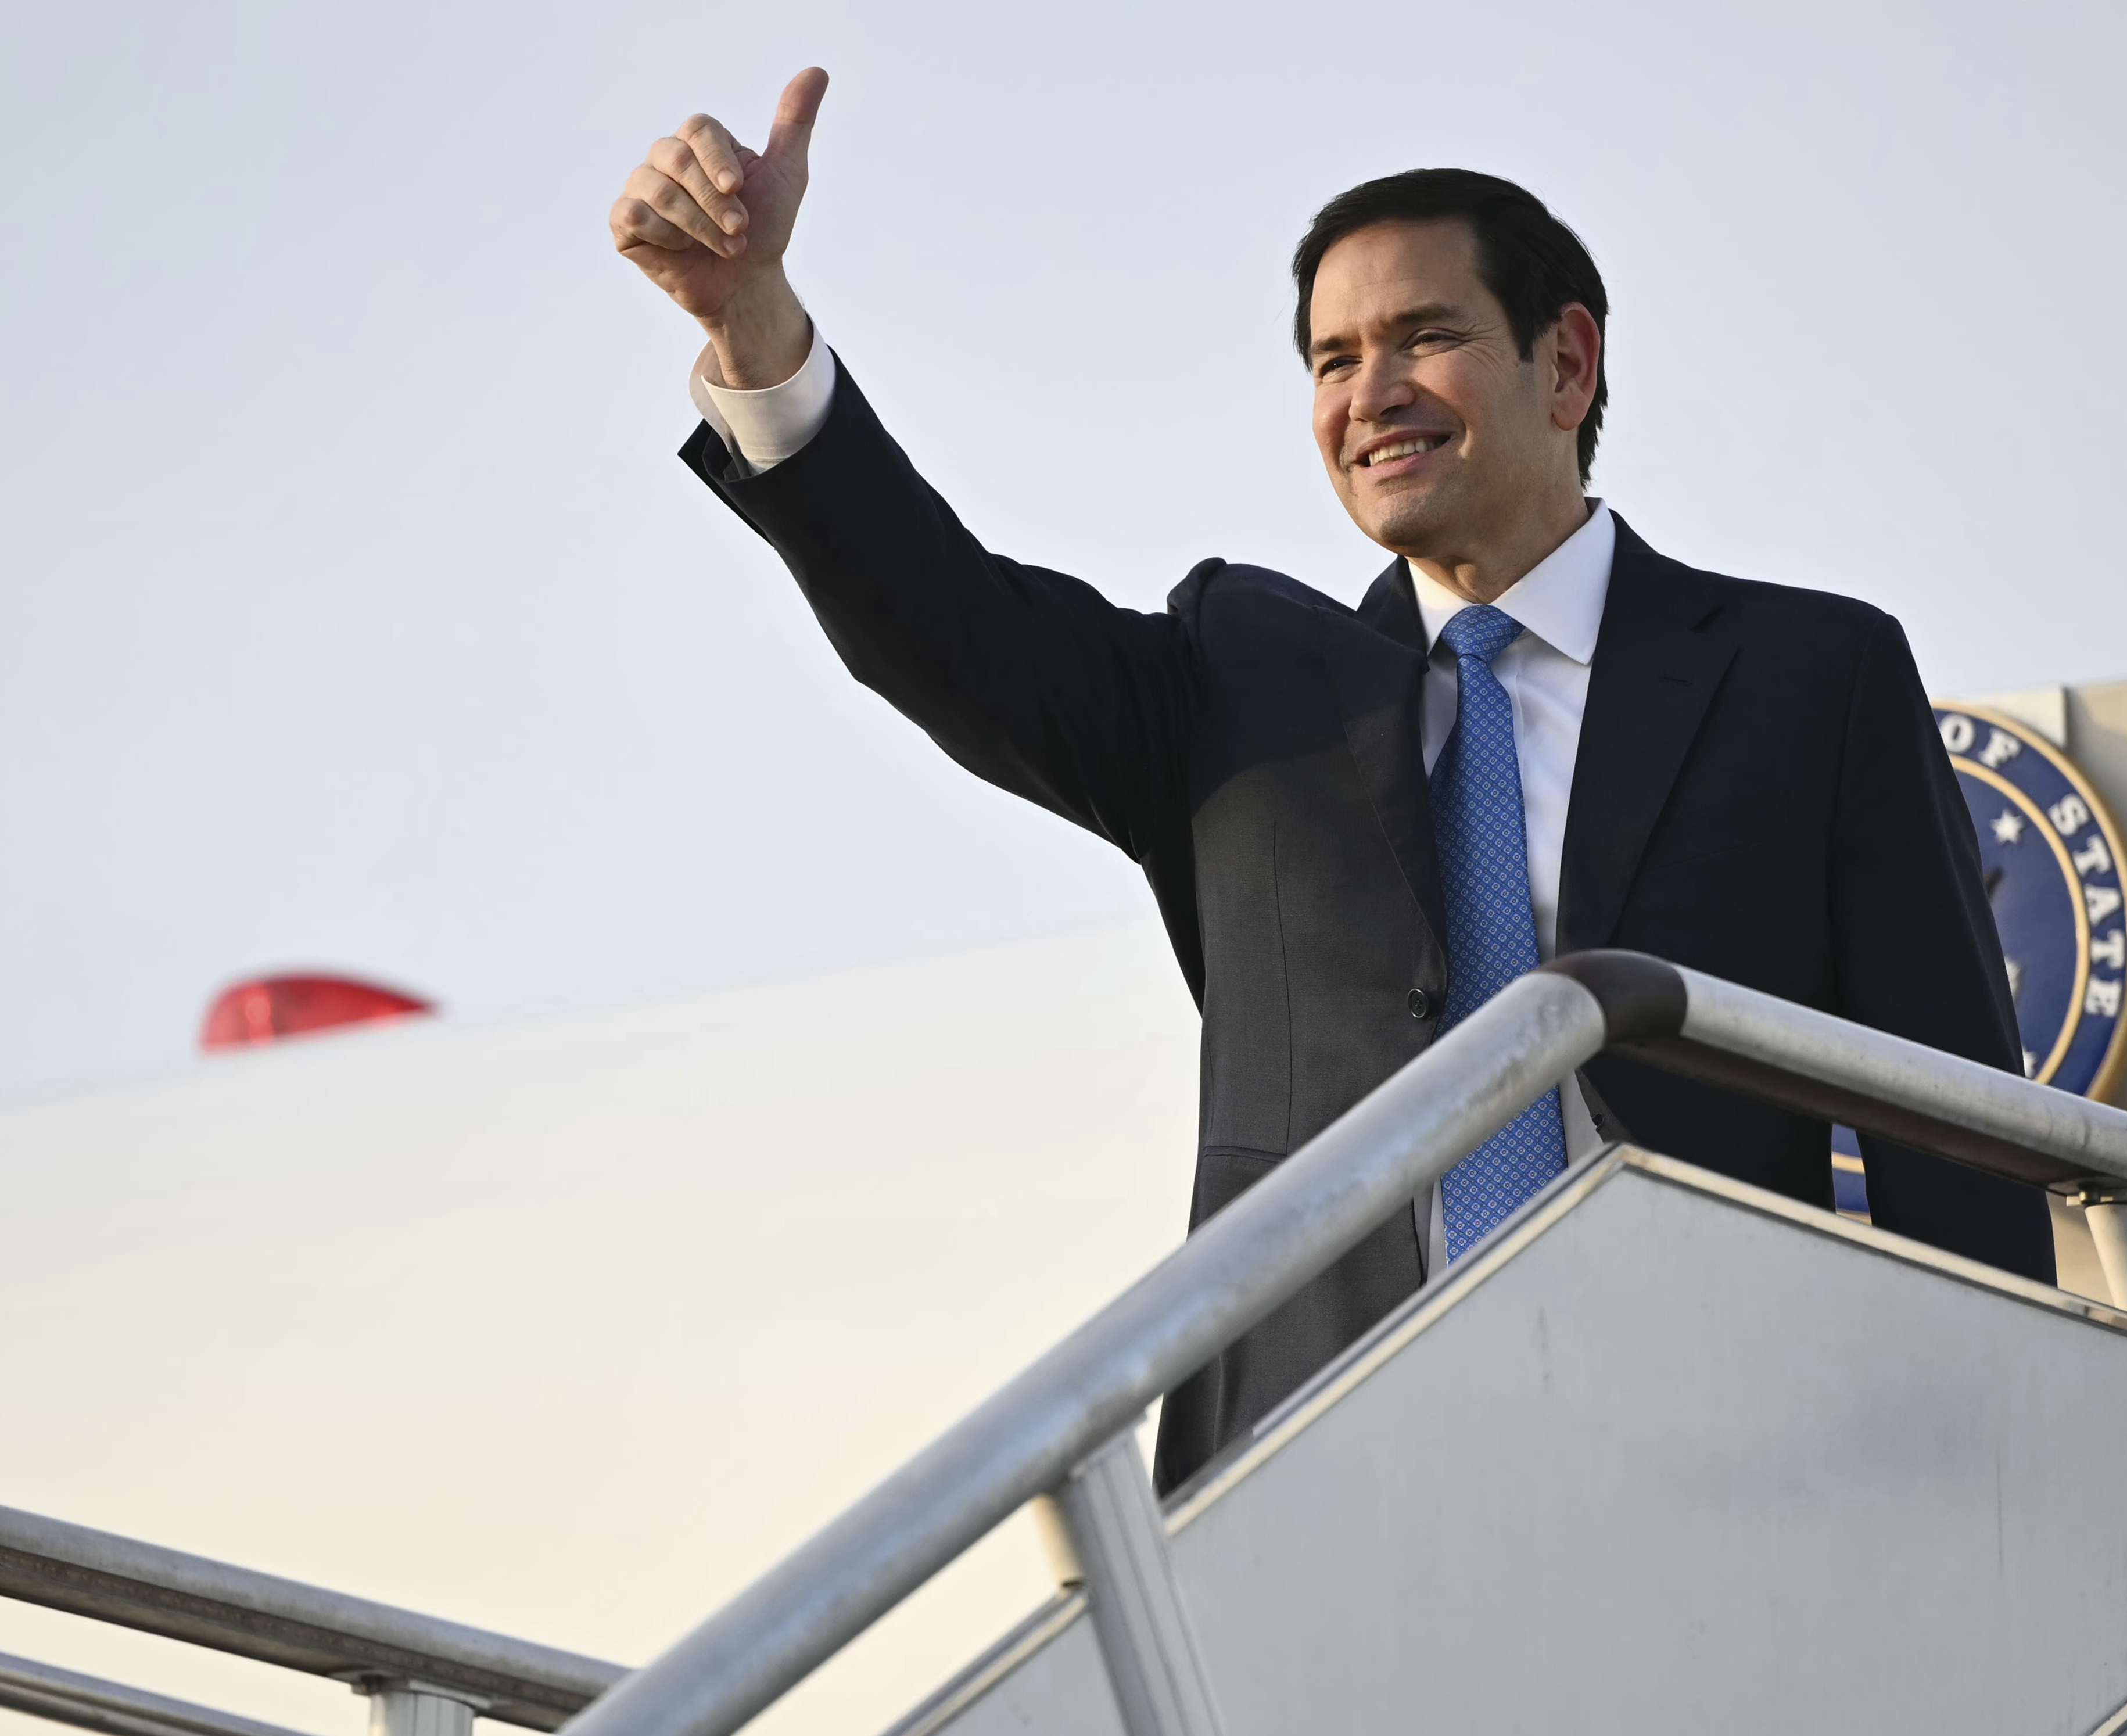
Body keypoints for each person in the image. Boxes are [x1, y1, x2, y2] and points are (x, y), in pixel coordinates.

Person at [611, 69, 2051, 1491]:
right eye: (1331, 358)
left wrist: (1975, 1473)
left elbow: (1953, 1131)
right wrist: (753, 328)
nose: (1371, 395)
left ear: (1567, 366)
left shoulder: (1811, 674)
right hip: (1314, 1470)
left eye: (1423, 338)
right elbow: (947, 621)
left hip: (1725, 1454)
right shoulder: (1236, 691)